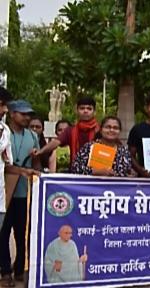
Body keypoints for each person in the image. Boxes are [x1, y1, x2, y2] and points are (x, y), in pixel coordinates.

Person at [1, 100, 42, 287]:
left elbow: (36, 165)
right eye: (23, 114)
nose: (27, 117)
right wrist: (21, 171)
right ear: (12, 114)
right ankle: (5, 271)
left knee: (22, 234)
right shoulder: (4, 134)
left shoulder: (33, 136)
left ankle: (20, 271)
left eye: (29, 114)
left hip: (25, 193)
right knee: (3, 233)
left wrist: (36, 161)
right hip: (4, 191)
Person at [34, 98, 98, 170]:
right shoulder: (70, 131)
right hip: (76, 172)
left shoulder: (99, 130)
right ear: (76, 111)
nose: (85, 111)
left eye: (89, 109)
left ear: (94, 112)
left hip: (97, 172)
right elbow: (55, 142)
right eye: (82, 108)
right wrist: (40, 151)